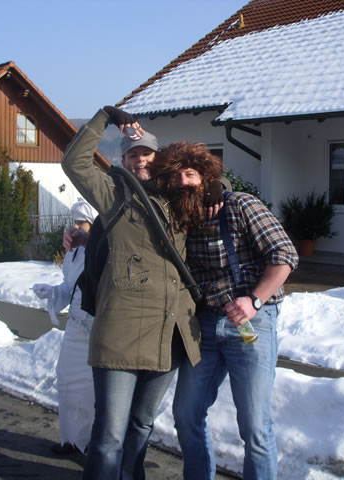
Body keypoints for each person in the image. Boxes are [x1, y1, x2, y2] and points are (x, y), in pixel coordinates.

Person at [61, 106, 223, 480]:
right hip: (121, 332)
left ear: (159, 159)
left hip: (169, 334)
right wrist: (104, 117)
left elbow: (207, 180)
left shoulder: (179, 198)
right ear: (123, 161)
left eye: (147, 154)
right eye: (133, 155)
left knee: (141, 425)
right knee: (110, 435)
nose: (141, 161)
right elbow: (74, 163)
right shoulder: (114, 194)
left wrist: (219, 185)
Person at [155, 141, 299, 480]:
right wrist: (86, 233)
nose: (182, 182)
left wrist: (254, 300)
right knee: (186, 415)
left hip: (250, 325)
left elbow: (285, 256)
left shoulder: (240, 205)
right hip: (204, 326)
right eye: (175, 176)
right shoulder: (177, 215)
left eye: (189, 174)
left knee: (255, 427)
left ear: (205, 177)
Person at [32, 198, 98, 455]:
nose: (76, 227)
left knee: (90, 391)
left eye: (82, 222)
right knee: (67, 382)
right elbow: (71, 288)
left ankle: (92, 444)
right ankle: (71, 439)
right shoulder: (74, 253)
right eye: (74, 222)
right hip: (74, 328)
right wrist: (53, 292)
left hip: (94, 330)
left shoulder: (101, 250)